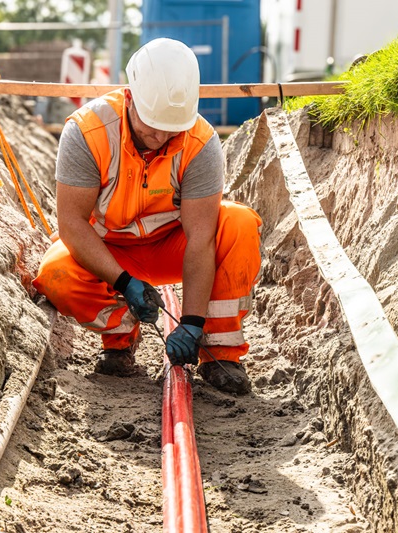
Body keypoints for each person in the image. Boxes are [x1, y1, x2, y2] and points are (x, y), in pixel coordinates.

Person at [33, 38, 262, 394]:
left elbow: (201, 239)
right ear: (129, 97)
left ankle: (221, 352)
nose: (159, 137)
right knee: (56, 274)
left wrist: (191, 322)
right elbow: (72, 225)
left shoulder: (200, 143)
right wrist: (124, 282)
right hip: (108, 249)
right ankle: (120, 339)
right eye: (150, 125)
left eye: (170, 129)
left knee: (239, 224)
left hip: (174, 245)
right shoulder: (88, 133)